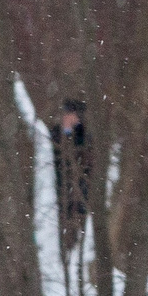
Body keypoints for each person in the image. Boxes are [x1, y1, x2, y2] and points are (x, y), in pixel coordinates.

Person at [52, 99, 94, 257]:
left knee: (75, 227)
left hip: (78, 192)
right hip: (59, 189)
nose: (65, 116)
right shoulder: (56, 133)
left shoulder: (84, 136)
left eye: (69, 113)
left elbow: (86, 164)